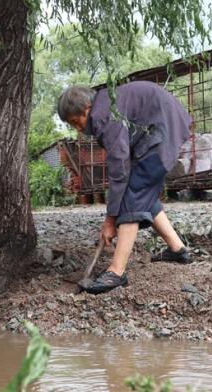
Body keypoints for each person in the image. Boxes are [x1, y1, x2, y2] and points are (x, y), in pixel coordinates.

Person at [57, 81, 193, 294]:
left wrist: (111, 220)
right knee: (141, 192)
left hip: (161, 132)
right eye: (72, 125)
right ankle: (178, 249)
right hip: (161, 127)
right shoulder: (104, 105)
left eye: (77, 121)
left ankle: (117, 272)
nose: (79, 129)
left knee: (134, 196)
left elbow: (119, 167)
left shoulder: (103, 115)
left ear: (87, 108)